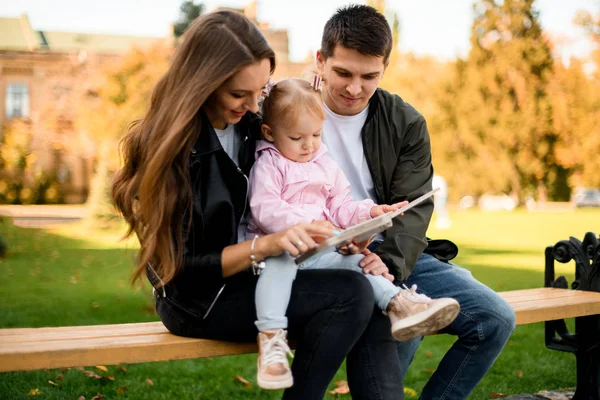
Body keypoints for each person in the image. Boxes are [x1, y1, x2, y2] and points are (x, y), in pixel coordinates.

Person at [111, 10, 404, 399]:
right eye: (238, 94)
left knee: (365, 285)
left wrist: (342, 239)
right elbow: (181, 270)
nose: (252, 107)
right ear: (204, 83)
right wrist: (267, 244)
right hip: (200, 298)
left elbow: (301, 133)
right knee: (350, 295)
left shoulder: (252, 126)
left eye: (261, 91)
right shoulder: (175, 151)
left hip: (264, 271)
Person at [316, 5, 517, 399]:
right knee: (401, 326)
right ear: (320, 61)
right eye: (343, 73)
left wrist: (388, 262)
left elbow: (412, 210)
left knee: (494, 318)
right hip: (323, 253)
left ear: (385, 69)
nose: (355, 88)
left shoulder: (405, 121)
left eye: (369, 76)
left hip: (392, 250)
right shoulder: (287, 108)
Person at [247, 78, 460, 390]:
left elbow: (340, 205)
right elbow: (263, 209)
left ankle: (401, 304)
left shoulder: (323, 162)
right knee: (276, 267)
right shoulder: (269, 162)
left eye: (317, 135)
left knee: (358, 262)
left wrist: (370, 212)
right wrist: (308, 225)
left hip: (319, 252)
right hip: (279, 250)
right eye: (297, 137)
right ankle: (271, 344)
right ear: (270, 133)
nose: (308, 145)